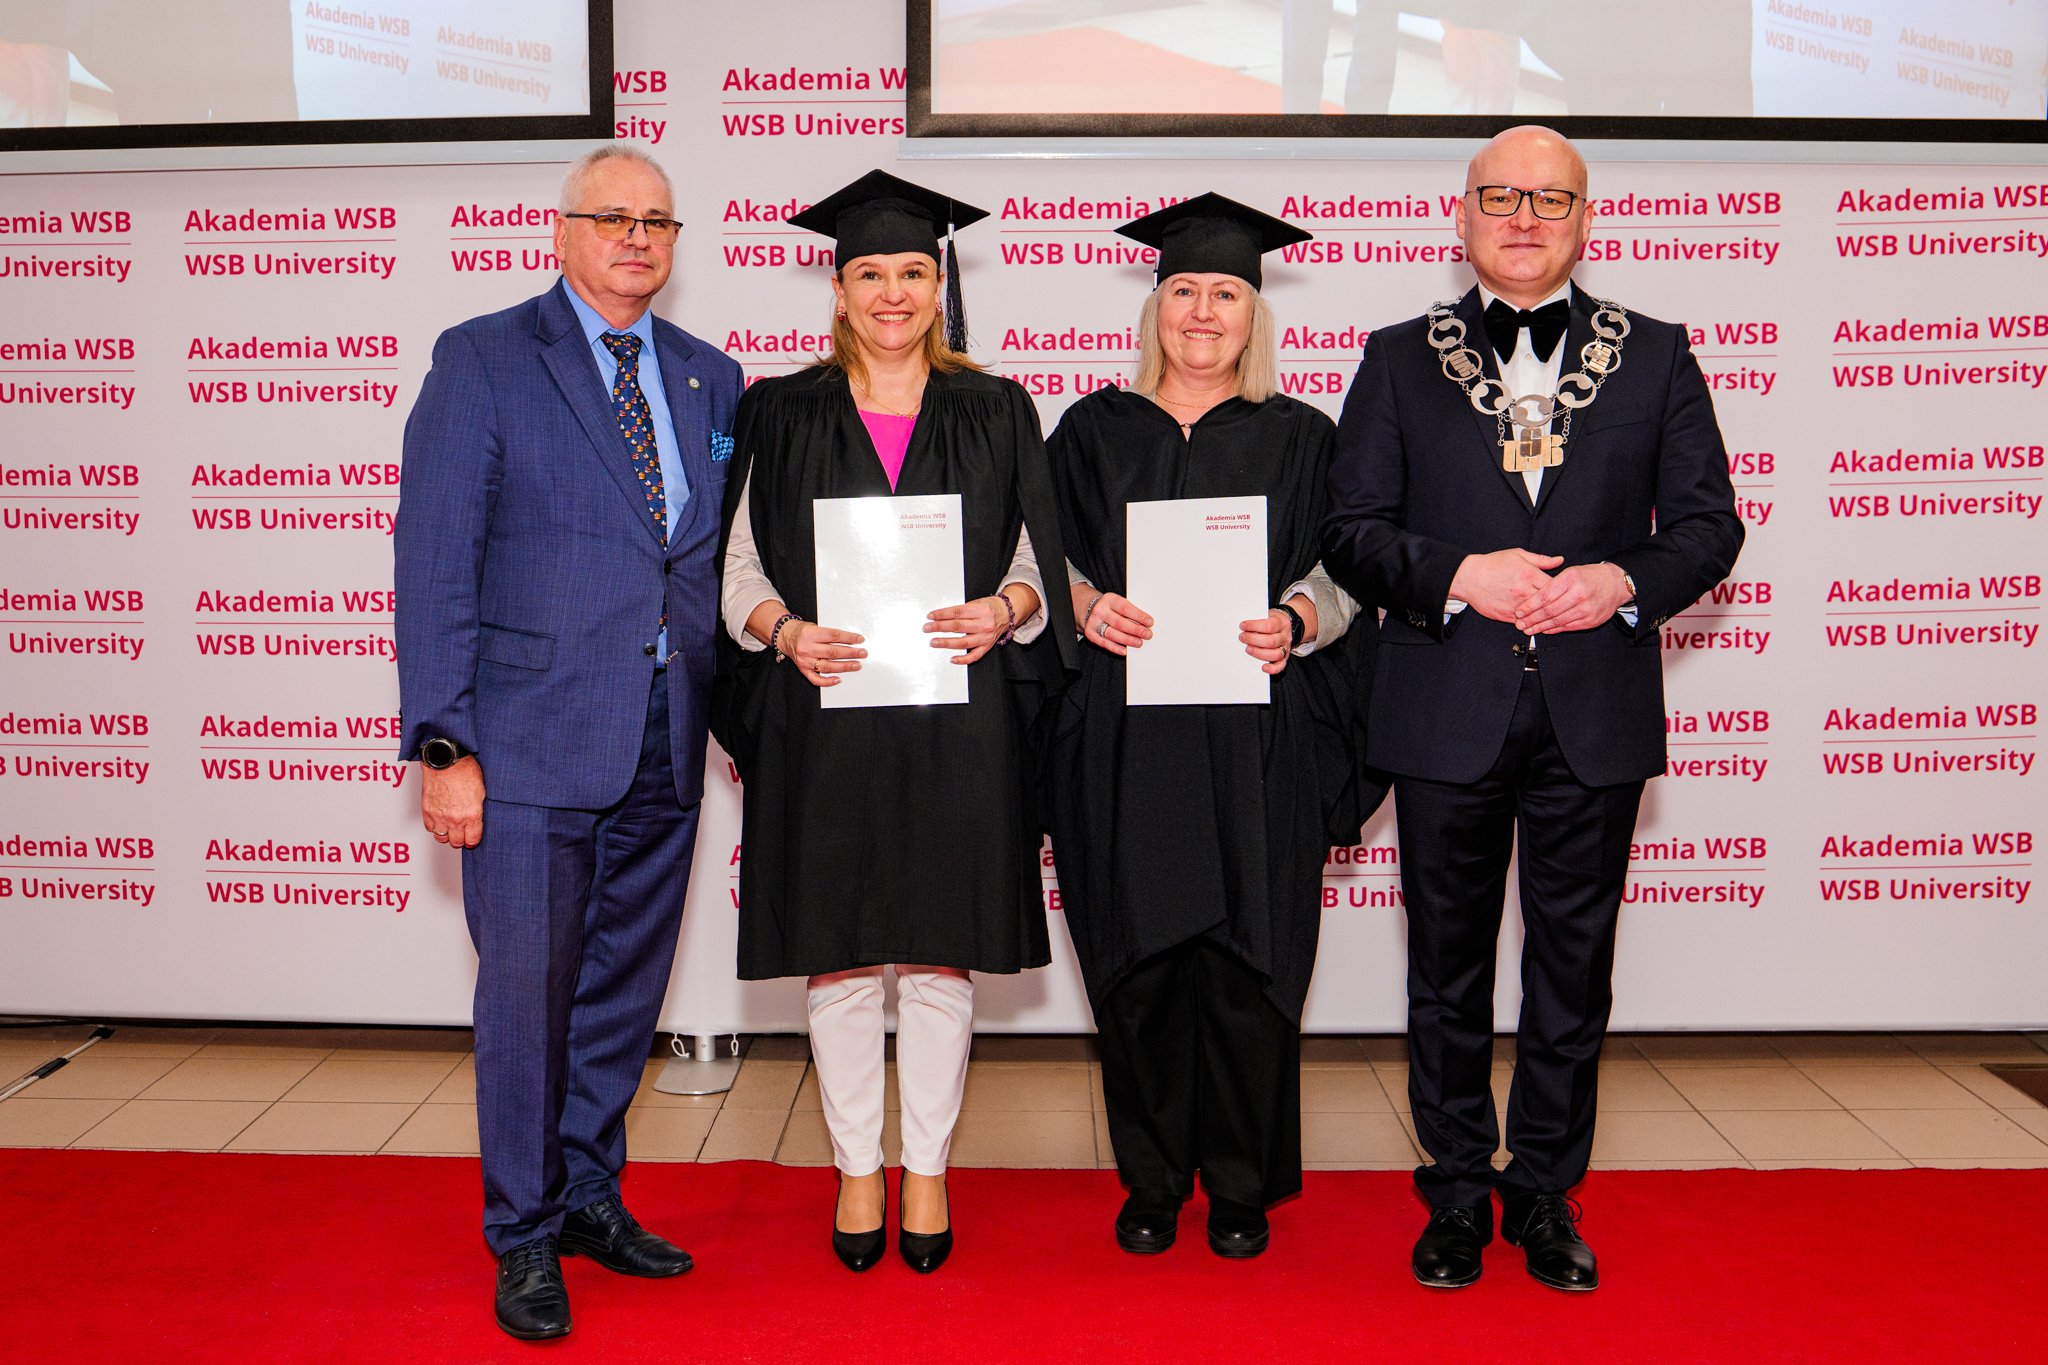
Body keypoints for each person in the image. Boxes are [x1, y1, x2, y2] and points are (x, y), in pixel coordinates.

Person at [1322, 126, 1744, 1292]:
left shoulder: (1656, 354)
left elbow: (1707, 526)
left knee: (1572, 969)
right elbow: (1349, 530)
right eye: (1499, 196)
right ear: (1459, 215)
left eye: (1548, 200)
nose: (1522, 218)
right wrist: (1459, 573)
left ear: (1584, 219)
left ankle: (1544, 1193)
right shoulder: (1396, 358)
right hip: (1442, 707)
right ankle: (1456, 1192)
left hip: (1591, 712)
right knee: (1445, 972)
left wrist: (1621, 583)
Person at [395, 144, 743, 1340]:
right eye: (612, 216)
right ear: (562, 231)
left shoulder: (708, 378)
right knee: (527, 1001)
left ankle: (589, 1193)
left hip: (664, 737)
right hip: (527, 744)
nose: (636, 238)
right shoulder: (485, 359)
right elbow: (435, 562)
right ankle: (523, 1232)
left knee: (618, 994)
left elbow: (700, 551)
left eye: (657, 221)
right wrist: (446, 746)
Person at [711, 170, 1078, 1276]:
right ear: (836, 290)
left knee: (936, 951)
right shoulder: (778, 410)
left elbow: (1038, 560)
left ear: (939, 287)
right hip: (824, 711)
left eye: (913, 271)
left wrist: (1003, 609)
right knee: (834, 956)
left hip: (955, 714)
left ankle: (926, 1166)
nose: (891, 293)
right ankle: (854, 1167)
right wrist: (783, 632)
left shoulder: (996, 409)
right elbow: (735, 568)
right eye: (868, 273)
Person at [1043, 195, 1383, 1260]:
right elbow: (1034, 554)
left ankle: (1239, 1182)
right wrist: (1082, 601)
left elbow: (1351, 571)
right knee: (1137, 963)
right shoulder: (1090, 431)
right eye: (1183, 290)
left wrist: (1299, 618)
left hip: (1256, 738)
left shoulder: (1304, 438)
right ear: (1154, 308)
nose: (1201, 311)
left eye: (1225, 293)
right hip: (1124, 734)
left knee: (1247, 965)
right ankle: (1151, 1179)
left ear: (1253, 314)